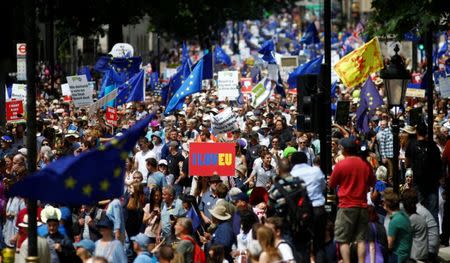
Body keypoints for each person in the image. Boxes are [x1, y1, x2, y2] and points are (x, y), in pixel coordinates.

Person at [329, 137, 376, 263]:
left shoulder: (341, 164)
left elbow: (332, 184)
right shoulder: (365, 164)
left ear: (344, 150)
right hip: (362, 206)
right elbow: (373, 182)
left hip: (346, 206)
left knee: (342, 239)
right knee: (361, 239)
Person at [290, 151, 327, 261]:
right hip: (318, 209)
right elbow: (323, 187)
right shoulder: (316, 171)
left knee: (302, 244)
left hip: (301, 212)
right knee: (319, 243)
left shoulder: (292, 175)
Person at [383, 188, 412, 263]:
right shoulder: (404, 215)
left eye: (384, 201)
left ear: (387, 204)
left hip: (397, 256)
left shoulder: (394, 221)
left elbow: (389, 245)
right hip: (405, 254)